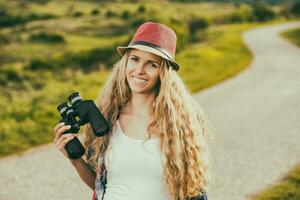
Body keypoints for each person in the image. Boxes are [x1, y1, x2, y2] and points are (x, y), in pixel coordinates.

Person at [53, 22, 211, 200]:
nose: (139, 71)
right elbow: (101, 185)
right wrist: (75, 161)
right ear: (125, 62)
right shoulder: (107, 118)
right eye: (135, 59)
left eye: (152, 64)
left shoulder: (181, 122)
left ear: (164, 72)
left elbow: (193, 190)